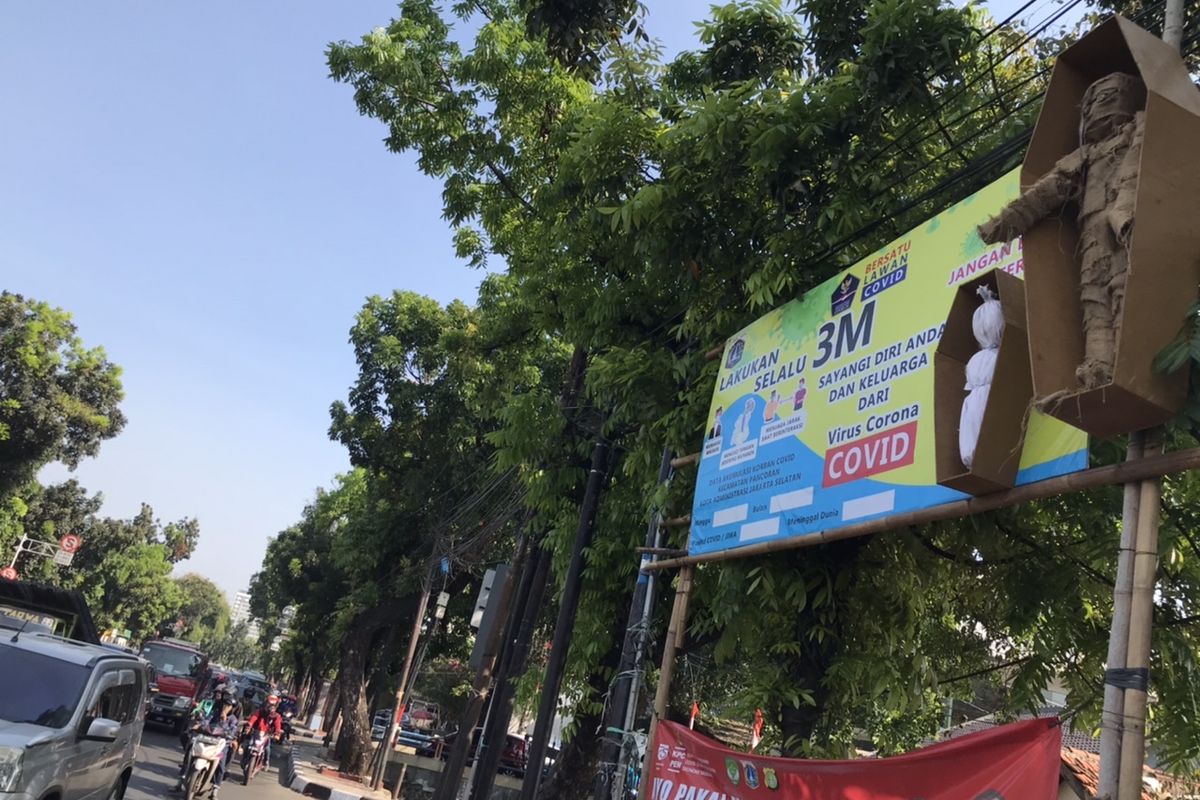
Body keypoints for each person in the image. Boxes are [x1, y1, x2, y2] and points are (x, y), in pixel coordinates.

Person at [174, 695, 239, 796]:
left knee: (221, 765)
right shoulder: (215, 713)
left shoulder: (233, 720)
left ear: (232, 708)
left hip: (220, 744)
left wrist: (224, 722)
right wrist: (199, 725)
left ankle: (215, 790)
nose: (226, 707)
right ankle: (180, 781)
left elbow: (233, 731)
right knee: (189, 753)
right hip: (206, 739)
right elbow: (206, 720)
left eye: (229, 706)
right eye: (225, 704)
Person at [243, 694, 284, 773]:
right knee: (248, 744)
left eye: (273, 705)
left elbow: (277, 725)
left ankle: (266, 762)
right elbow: (254, 718)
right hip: (257, 732)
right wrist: (249, 725)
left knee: (267, 748)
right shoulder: (260, 711)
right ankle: (244, 758)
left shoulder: (276, 716)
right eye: (269, 704)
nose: (271, 707)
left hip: (267, 735)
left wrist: (277, 734)